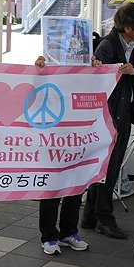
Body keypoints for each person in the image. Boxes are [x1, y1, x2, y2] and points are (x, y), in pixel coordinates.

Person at [81, 2, 134, 240]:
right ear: (129, 26)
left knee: (107, 167)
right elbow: (95, 82)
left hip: (123, 115)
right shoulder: (107, 45)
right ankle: (104, 218)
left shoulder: (133, 44)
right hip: (109, 117)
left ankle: (90, 215)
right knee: (108, 169)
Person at [34, 55, 98, 255]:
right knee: (52, 188)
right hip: (53, 139)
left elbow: (101, 91)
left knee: (75, 187)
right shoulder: (50, 72)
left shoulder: (87, 71)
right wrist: (39, 68)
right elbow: (33, 89)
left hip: (78, 139)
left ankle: (69, 233)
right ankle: (49, 236)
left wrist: (97, 68)